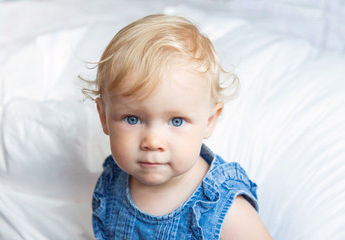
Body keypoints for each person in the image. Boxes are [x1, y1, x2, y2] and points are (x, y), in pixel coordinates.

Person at [84, 14, 272, 239]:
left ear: (209, 121)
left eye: (176, 121)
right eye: (132, 119)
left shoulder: (224, 210)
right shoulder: (113, 182)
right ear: (104, 117)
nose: (152, 141)